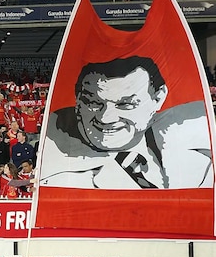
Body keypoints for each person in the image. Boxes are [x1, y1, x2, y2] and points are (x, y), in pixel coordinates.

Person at [40, 56, 213, 189]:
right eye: (93, 103)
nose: (105, 117)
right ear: (78, 101)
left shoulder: (199, 143)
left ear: (158, 98)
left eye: (125, 104)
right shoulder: (57, 176)